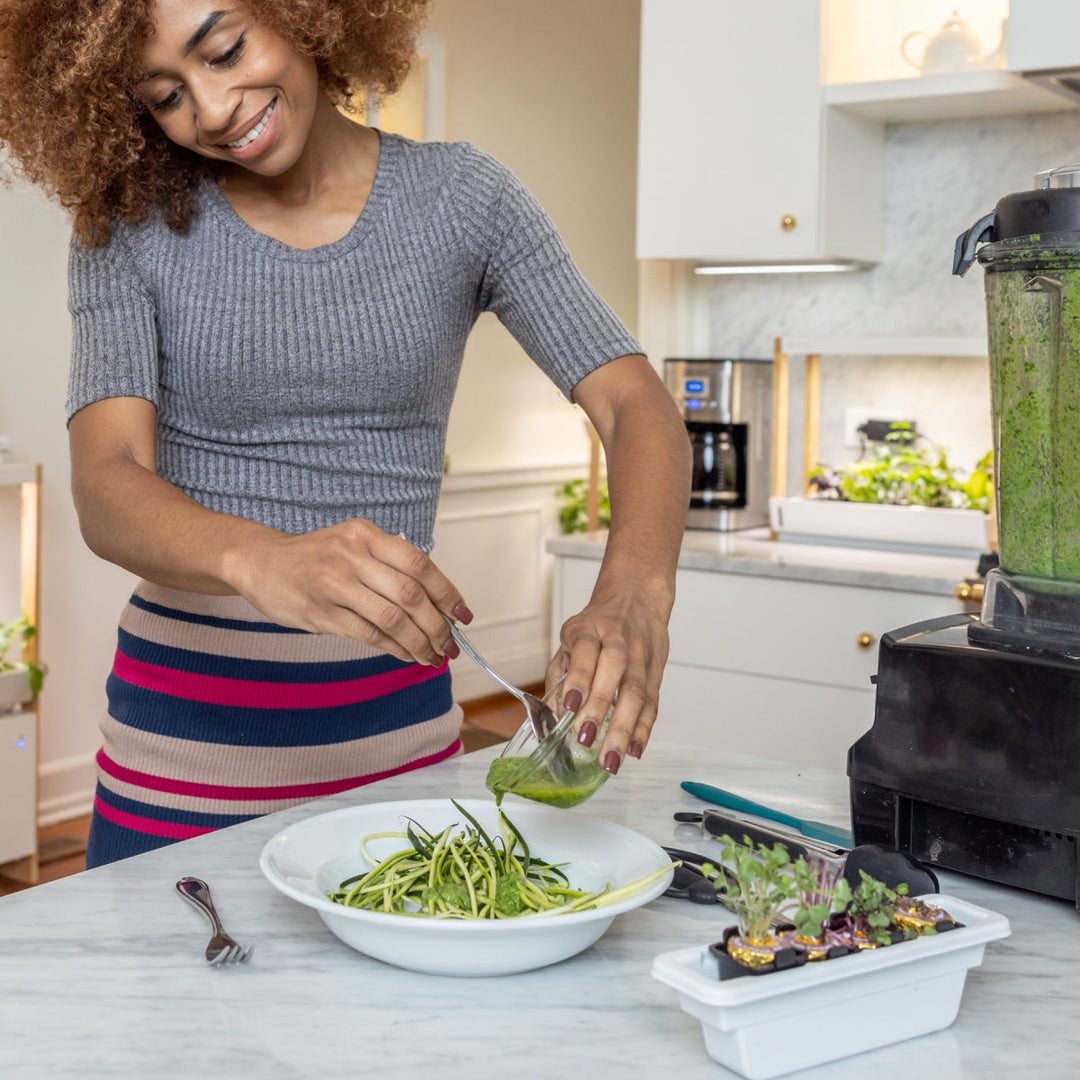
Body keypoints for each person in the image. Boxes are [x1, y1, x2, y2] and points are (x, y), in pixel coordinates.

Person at [0, 0, 691, 866]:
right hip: (179, 773)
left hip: (399, 770)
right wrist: (262, 558)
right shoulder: (125, 227)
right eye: (166, 93)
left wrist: (634, 590)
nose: (212, 110)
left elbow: (635, 404)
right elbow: (106, 483)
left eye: (224, 49)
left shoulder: (464, 198)